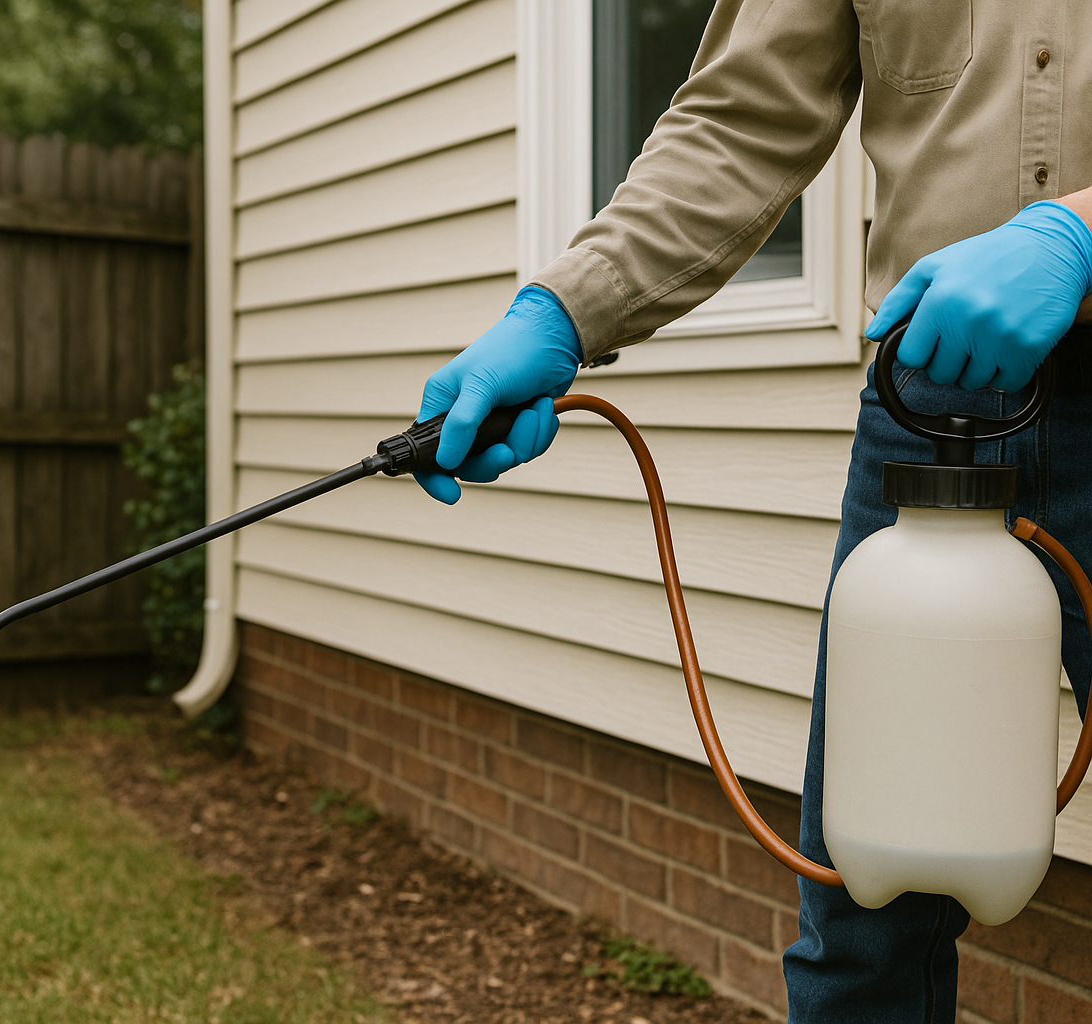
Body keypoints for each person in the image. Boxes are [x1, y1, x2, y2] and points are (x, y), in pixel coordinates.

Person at [412, 2, 1092, 1020]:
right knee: (863, 930)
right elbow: (741, 118)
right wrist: (561, 308)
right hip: (933, 399)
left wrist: (1081, 228)